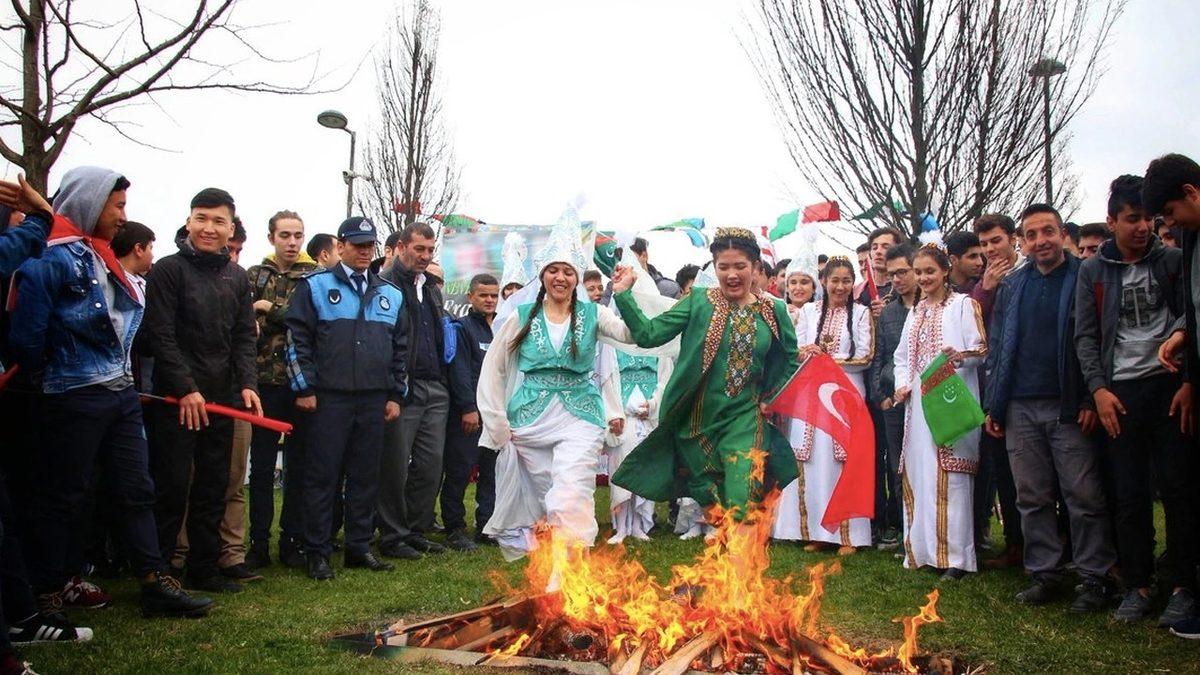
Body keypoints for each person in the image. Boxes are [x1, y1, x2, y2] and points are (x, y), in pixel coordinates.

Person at [5, 168, 212, 619]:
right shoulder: (51, 259)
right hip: (71, 395)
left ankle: (153, 583)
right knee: (65, 497)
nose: (123, 216)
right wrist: (56, 377)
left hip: (119, 393)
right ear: (90, 202)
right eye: (116, 206)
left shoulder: (101, 257)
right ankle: (46, 593)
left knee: (137, 489)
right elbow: (26, 338)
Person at [608, 227, 800, 529]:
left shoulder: (773, 310)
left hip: (745, 418)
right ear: (715, 267)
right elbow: (648, 335)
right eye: (724, 266)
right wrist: (624, 296)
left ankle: (741, 573)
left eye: (740, 266)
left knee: (743, 497)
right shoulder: (699, 301)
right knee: (711, 502)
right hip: (695, 421)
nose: (732, 274)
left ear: (755, 268)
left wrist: (772, 399)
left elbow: (789, 358)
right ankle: (726, 563)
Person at [1075, 174, 1198, 625]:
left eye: (1147, 217)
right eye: (1132, 219)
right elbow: (1085, 336)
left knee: (1179, 490)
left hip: (1168, 390)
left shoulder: (1173, 260)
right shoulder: (1093, 270)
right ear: (1112, 223)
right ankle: (1138, 584)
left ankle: (1184, 586)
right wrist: (1099, 390)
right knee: (1128, 495)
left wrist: (1189, 381)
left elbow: (1193, 317)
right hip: (1119, 394)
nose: (1143, 226)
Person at [984, 204, 1116, 612]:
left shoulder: (1085, 275)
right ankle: (1045, 573)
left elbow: (1096, 342)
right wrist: (996, 403)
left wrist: (1087, 397)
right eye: (1032, 234)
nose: (1040, 240)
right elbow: (1000, 345)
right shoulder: (1013, 285)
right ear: (1022, 241)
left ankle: (1095, 577)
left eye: (1048, 231)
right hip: (1020, 405)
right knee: (1031, 496)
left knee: (1083, 494)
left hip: (1070, 407)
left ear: (1062, 234)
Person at [478, 214, 630, 564]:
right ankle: (555, 574)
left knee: (570, 495)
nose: (560, 277)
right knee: (547, 502)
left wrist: (626, 295)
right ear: (542, 275)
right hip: (530, 421)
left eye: (568, 271)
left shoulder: (594, 315)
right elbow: (494, 370)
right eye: (553, 270)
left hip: (581, 415)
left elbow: (631, 335)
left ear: (577, 276)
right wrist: (497, 422)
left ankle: (566, 581)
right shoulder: (521, 317)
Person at [142, 187, 261, 594]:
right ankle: (158, 572)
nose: (209, 228)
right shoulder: (167, 270)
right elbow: (160, 335)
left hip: (223, 400)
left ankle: (204, 568)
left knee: (215, 485)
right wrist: (186, 388)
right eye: (201, 218)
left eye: (218, 221)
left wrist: (247, 383)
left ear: (231, 227)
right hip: (177, 401)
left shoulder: (235, 277)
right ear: (189, 220)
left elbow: (244, 336)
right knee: (172, 486)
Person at [285, 217, 406, 579]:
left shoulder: (390, 293)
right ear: (340, 246)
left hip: (373, 401)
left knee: (365, 477)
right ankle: (317, 551)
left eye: (370, 245)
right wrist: (304, 387)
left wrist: (395, 395)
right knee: (323, 477)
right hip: (328, 399)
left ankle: (358, 547)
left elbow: (400, 349)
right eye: (357, 245)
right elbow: (297, 340)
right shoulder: (315, 287)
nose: (364, 251)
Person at [892, 243, 986, 581]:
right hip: (918, 405)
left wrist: (959, 355)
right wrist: (901, 384)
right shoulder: (915, 312)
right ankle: (923, 552)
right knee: (921, 473)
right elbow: (902, 357)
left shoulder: (964, 305)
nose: (924, 278)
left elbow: (982, 350)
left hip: (951, 399)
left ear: (946, 270)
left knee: (952, 476)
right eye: (919, 272)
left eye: (929, 271)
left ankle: (957, 559)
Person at [378, 222, 470, 559]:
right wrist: (393, 387)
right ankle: (391, 535)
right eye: (419, 249)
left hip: (436, 386)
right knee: (395, 465)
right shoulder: (384, 285)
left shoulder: (430, 287)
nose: (425, 256)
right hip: (403, 387)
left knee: (430, 466)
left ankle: (416, 530)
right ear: (401, 247)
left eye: (430, 250)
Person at [773, 256, 873, 552]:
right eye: (834, 280)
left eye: (846, 280)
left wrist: (828, 362)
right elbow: (796, 350)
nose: (840, 286)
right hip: (811, 394)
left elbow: (865, 356)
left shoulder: (862, 314)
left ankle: (847, 534)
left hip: (846, 393)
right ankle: (815, 531)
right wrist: (807, 353)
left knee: (842, 461)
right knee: (811, 460)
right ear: (824, 282)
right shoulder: (809, 313)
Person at [1143, 153, 1200, 639]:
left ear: (1191, 194)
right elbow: (1195, 311)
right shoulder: (1194, 238)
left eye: (1170, 214)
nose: (1170, 225)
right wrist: (1187, 377)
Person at [244, 211, 317, 570]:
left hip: (301, 386)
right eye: (285, 235)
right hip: (262, 386)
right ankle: (258, 542)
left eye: (298, 236)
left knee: (299, 469)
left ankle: (292, 540)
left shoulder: (315, 278)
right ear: (271, 237)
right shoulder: (254, 276)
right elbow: (241, 320)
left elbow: (308, 320)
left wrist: (267, 308)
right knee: (259, 470)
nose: (292, 242)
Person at [970, 213, 1026, 569]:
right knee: (1004, 473)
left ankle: (1048, 551)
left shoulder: (1027, 273)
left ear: (1013, 239)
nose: (992, 249)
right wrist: (985, 289)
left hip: (1026, 385)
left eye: (997, 241)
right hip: (993, 390)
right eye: (985, 244)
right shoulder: (983, 282)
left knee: (1034, 480)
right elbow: (974, 328)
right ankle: (1016, 546)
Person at [440, 274, 500, 549]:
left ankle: (487, 525)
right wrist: (467, 407)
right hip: (468, 415)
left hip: (495, 415)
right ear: (470, 298)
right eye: (483, 295)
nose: (489, 300)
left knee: (491, 472)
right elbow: (460, 371)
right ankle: (454, 527)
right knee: (459, 470)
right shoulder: (462, 328)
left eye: (493, 295)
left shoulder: (501, 328)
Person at [868, 244, 918, 551]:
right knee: (897, 468)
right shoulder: (888, 313)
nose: (896, 279)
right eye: (891, 274)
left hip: (927, 401)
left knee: (924, 466)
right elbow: (879, 357)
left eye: (903, 272)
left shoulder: (931, 308)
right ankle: (904, 530)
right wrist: (880, 395)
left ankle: (926, 530)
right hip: (893, 402)